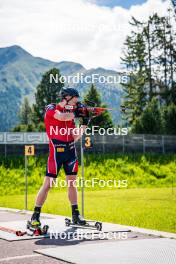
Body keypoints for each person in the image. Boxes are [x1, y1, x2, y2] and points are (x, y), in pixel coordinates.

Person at [30, 88, 89, 226]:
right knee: (48, 184)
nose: (76, 104)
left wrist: (85, 122)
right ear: (66, 98)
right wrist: (78, 112)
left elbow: (75, 136)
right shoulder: (51, 108)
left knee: (72, 184)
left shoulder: (70, 115)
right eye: (74, 101)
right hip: (56, 153)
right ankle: (35, 215)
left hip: (70, 151)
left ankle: (75, 214)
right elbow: (61, 117)